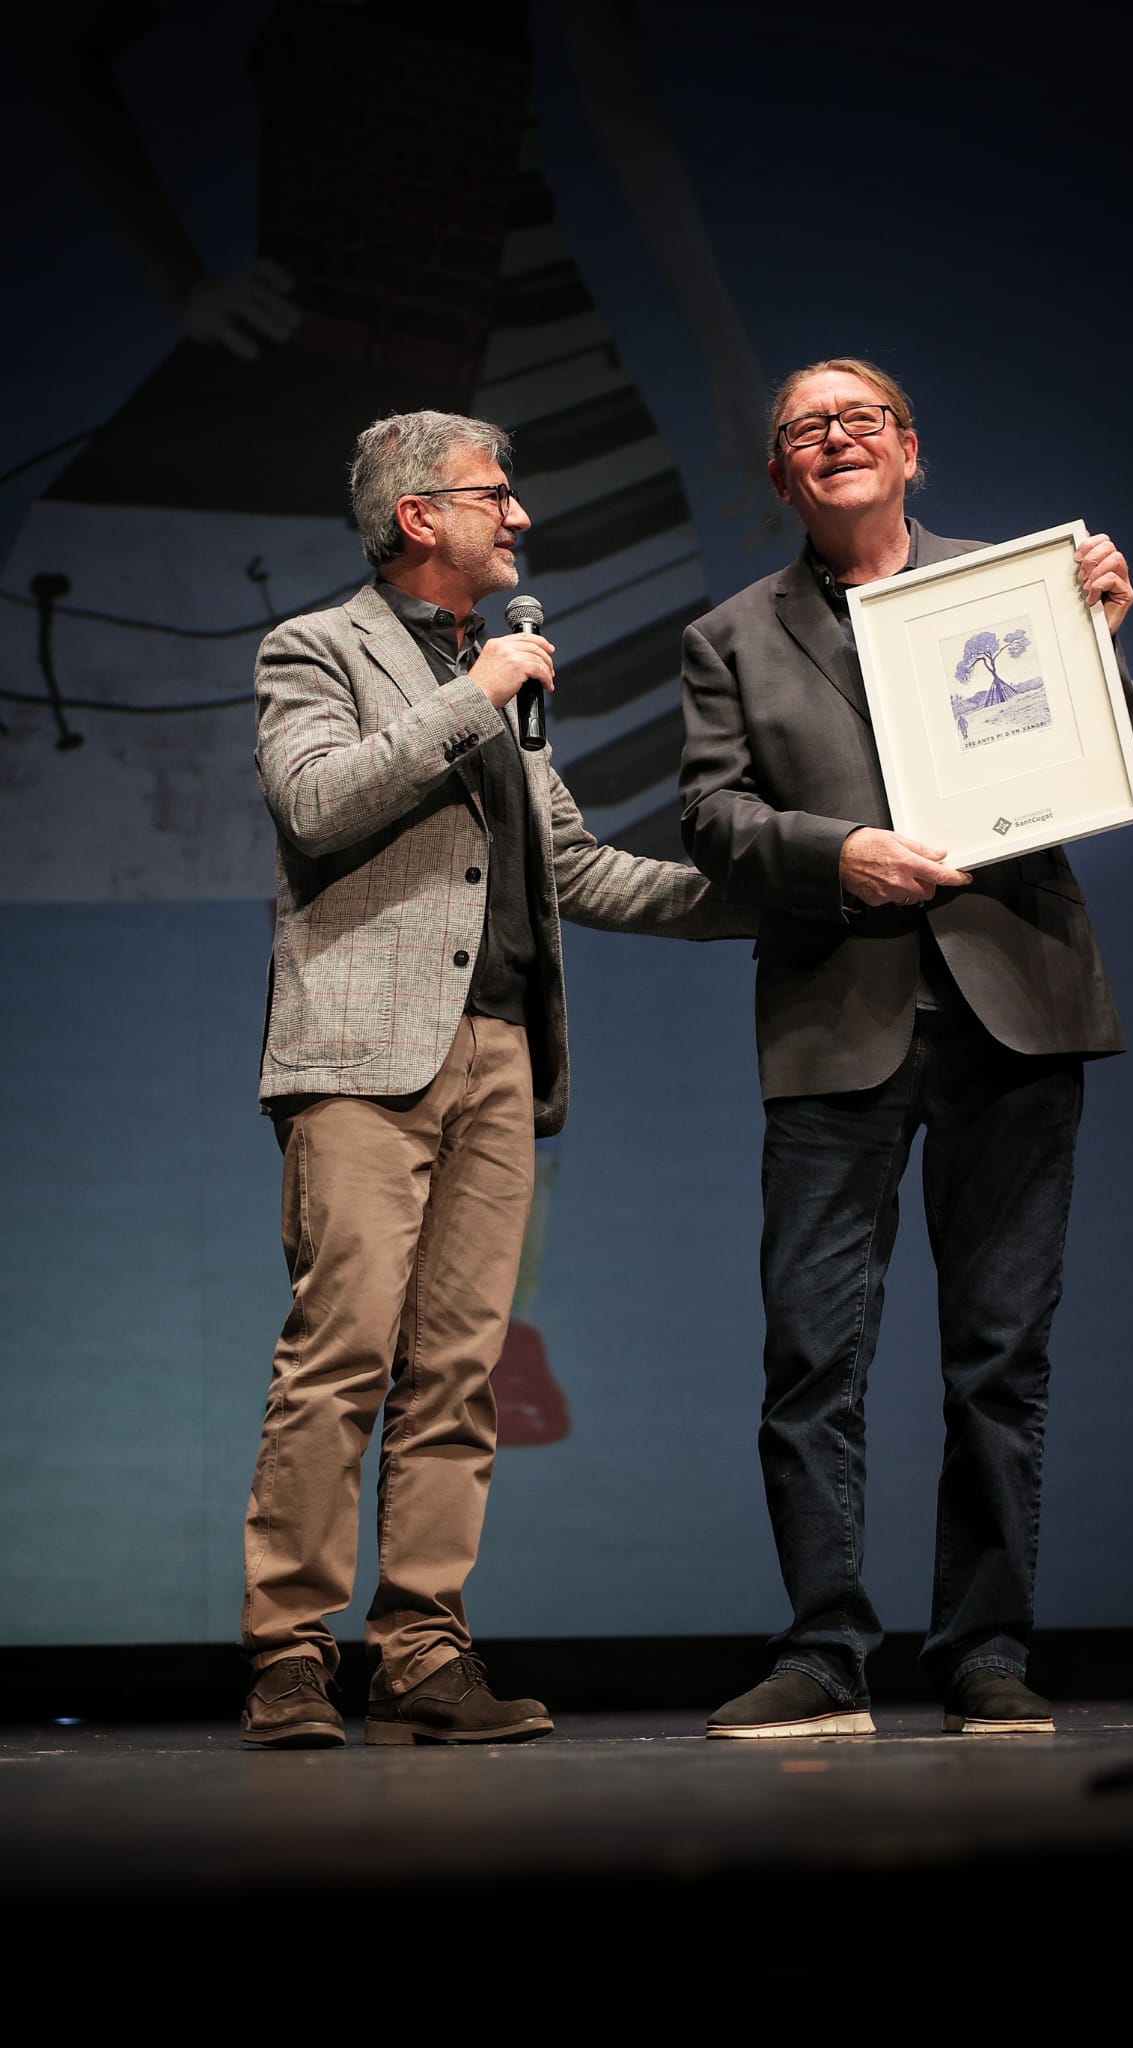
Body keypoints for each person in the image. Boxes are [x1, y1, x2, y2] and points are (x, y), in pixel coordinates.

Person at [239, 407, 752, 1749]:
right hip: (360, 1056)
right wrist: (476, 697)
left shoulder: (497, 676)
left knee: (458, 1371)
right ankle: (289, 1656)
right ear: (422, 517)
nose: (519, 518)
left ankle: (420, 1651)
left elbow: (572, 865)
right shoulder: (317, 648)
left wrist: (769, 899)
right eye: (495, 496)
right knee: (339, 1356)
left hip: (499, 1055)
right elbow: (315, 803)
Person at [678, 356, 1133, 1738]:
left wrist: (1096, 638)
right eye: (805, 429)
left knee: (998, 1355)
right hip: (838, 1014)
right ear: (777, 476)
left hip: (1016, 1001)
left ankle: (983, 1648)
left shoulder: (1011, 587)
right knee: (811, 1357)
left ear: (909, 448)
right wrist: (840, 854)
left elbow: (1099, 753)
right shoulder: (729, 638)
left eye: (859, 419)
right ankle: (823, 1653)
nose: (835, 439)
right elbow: (710, 817)